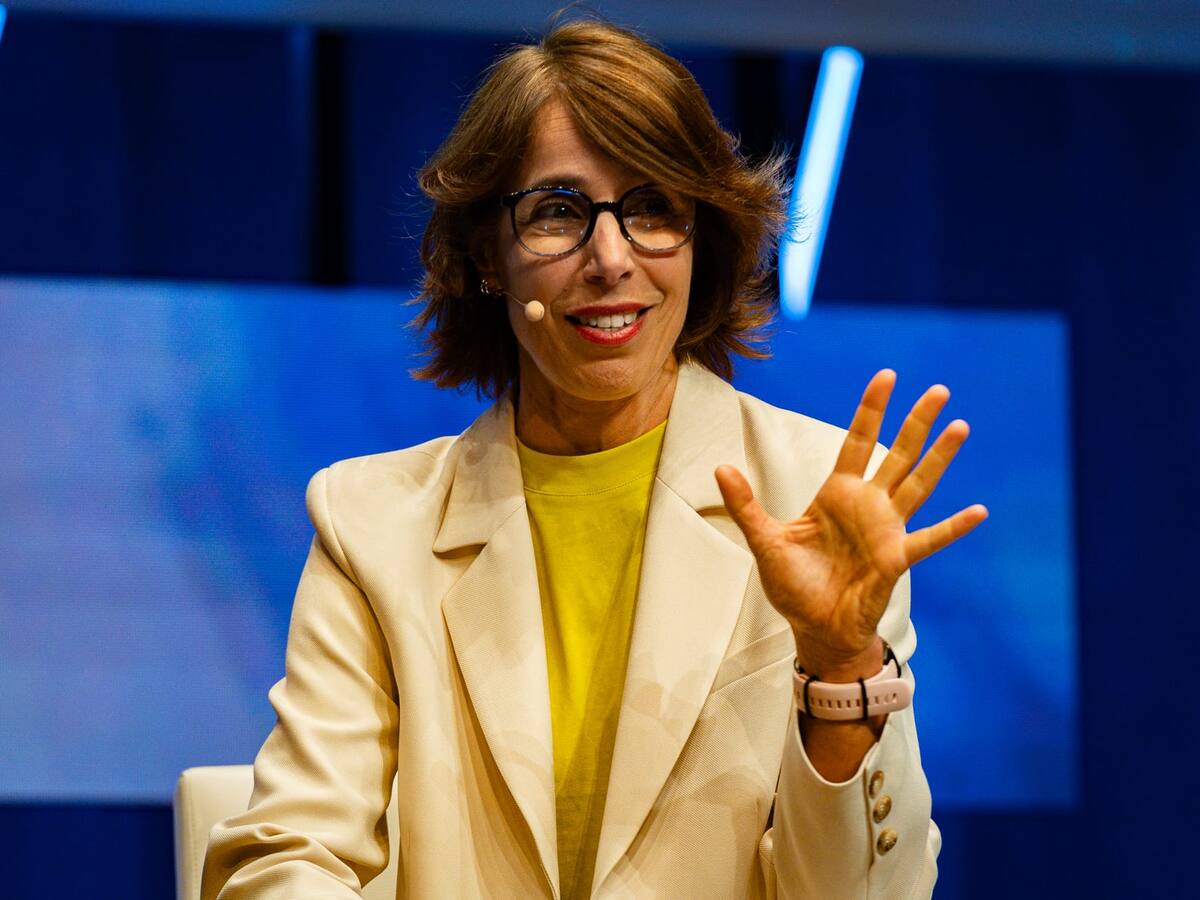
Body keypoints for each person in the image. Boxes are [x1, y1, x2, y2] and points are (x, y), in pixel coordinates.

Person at [202, 17, 986, 900]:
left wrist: (841, 671)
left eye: (652, 208)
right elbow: (289, 858)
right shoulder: (372, 525)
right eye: (558, 213)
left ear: (701, 240)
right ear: (488, 256)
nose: (611, 259)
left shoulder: (822, 495)